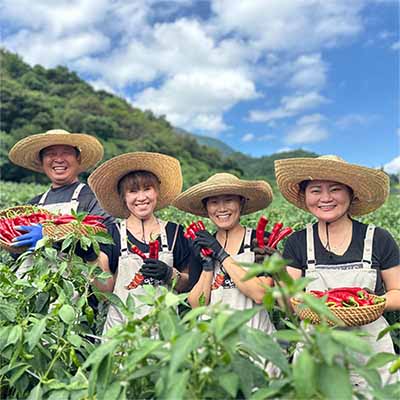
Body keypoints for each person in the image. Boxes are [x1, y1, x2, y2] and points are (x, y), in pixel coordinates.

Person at [275, 155, 400, 386]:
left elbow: (398, 292)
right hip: (316, 349)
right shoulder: (298, 242)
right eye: (315, 190)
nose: (325, 198)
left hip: (370, 349)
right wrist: (274, 271)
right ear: (305, 196)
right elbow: (287, 300)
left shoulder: (378, 238)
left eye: (335, 189)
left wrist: (369, 304)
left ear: (351, 194)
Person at [87, 152, 191, 331]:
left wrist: (170, 274)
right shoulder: (112, 233)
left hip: (165, 333)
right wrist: (91, 258)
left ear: (157, 191)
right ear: (123, 197)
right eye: (133, 191)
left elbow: (189, 284)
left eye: (147, 188)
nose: (141, 197)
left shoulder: (174, 233)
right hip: (121, 332)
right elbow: (105, 293)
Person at [173, 173, 276, 333]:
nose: (221, 208)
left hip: (255, 338)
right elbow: (197, 305)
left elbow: (260, 294)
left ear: (241, 202)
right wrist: (207, 267)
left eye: (229, 200)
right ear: (206, 208)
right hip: (212, 341)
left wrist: (221, 255)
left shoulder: (260, 241)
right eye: (214, 202)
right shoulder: (202, 245)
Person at [8, 129, 114, 254]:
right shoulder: (32, 205)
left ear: (78, 159)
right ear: (41, 162)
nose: (58, 159)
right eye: (50, 154)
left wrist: (51, 237)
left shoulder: (93, 198)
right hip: (33, 273)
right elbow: (16, 251)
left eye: (66, 153)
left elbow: (105, 241)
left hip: (75, 272)